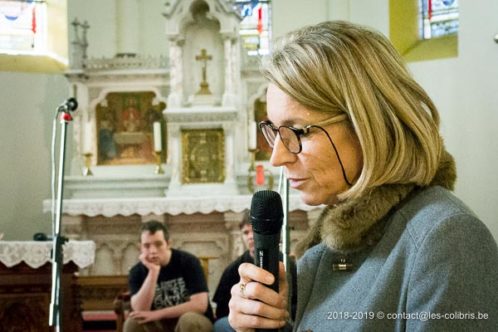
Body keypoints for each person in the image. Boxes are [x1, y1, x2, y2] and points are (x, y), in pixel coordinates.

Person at [228, 21, 498, 331]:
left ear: (367, 123)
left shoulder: (447, 238)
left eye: (297, 131)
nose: (277, 156)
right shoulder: (329, 245)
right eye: (275, 132)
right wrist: (272, 321)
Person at [213, 211, 297, 332]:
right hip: (242, 323)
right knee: (221, 325)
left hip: (279, 319)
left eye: (254, 231)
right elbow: (221, 311)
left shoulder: (285, 263)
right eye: (245, 232)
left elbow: (298, 302)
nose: (250, 236)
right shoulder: (233, 268)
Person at [124, 220, 213, 332]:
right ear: (140, 247)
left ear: (168, 243)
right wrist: (153, 272)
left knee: (189, 320)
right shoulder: (136, 271)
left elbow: (200, 305)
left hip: (192, 320)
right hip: (159, 325)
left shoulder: (188, 262)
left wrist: (157, 314)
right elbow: (140, 310)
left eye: (158, 244)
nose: (152, 251)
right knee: (133, 322)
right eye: (147, 246)